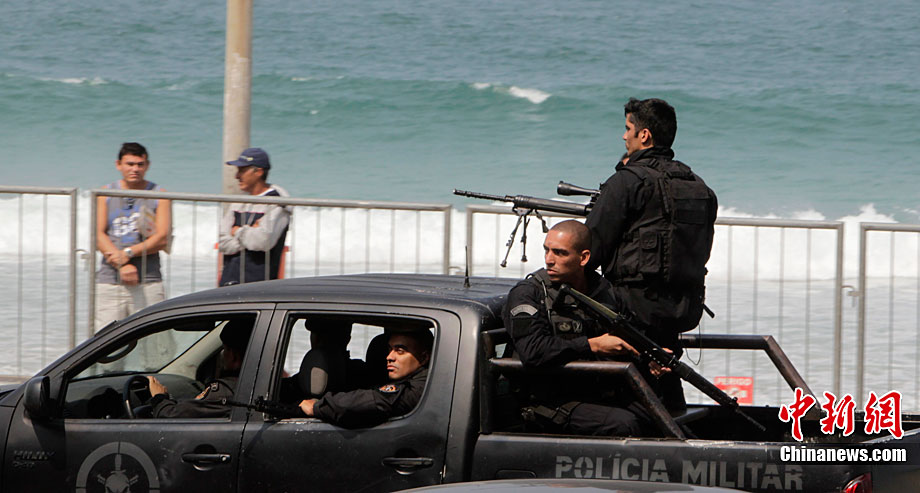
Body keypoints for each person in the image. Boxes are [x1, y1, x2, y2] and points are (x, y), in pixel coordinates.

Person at [584, 98, 718, 409]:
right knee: (666, 396)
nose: (623, 136)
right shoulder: (699, 187)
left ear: (644, 135)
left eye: (627, 128)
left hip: (632, 312)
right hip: (681, 310)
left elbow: (590, 251)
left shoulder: (627, 182)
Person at [504, 220, 656, 436]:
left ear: (583, 258)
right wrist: (592, 345)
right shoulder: (529, 294)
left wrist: (650, 357)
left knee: (661, 419)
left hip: (593, 392)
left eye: (560, 253)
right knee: (625, 424)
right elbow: (532, 351)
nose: (549, 260)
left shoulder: (605, 292)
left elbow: (629, 334)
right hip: (546, 401)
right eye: (547, 250)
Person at [95, 142, 172, 331]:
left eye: (140, 164)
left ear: (147, 165)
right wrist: (122, 264)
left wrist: (127, 253)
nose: (135, 169)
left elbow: (162, 238)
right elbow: (97, 235)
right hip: (110, 280)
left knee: (153, 338)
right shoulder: (105, 194)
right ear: (118, 164)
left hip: (148, 279)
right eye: (130, 164)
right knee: (106, 338)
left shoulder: (160, 195)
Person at [297, 329, 433, 428]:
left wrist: (317, 407)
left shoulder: (420, 388)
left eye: (400, 351)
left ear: (424, 357)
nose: (389, 357)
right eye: (389, 349)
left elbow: (373, 401)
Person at [147, 318, 253, 418]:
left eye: (225, 350)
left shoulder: (224, 393)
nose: (222, 355)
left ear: (233, 356)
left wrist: (159, 397)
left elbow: (171, 416)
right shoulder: (252, 385)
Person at [218, 147, 291, 286]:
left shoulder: (277, 202)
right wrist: (249, 235)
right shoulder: (238, 202)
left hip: (259, 287)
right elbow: (222, 242)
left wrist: (237, 231)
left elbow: (262, 242)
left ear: (258, 172)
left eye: (242, 170)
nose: (237, 176)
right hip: (228, 283)